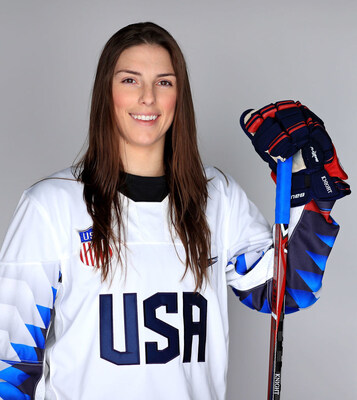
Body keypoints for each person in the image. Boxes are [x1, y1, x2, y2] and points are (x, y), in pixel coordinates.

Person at [0, 22, 350, 400]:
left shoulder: (218, 197)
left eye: (164, 82)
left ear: (178, 96)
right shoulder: (51, 205)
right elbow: (9, 364)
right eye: (130, 80)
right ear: (107, 92)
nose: (147, 97)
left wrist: (309, 185)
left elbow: (287, 291)